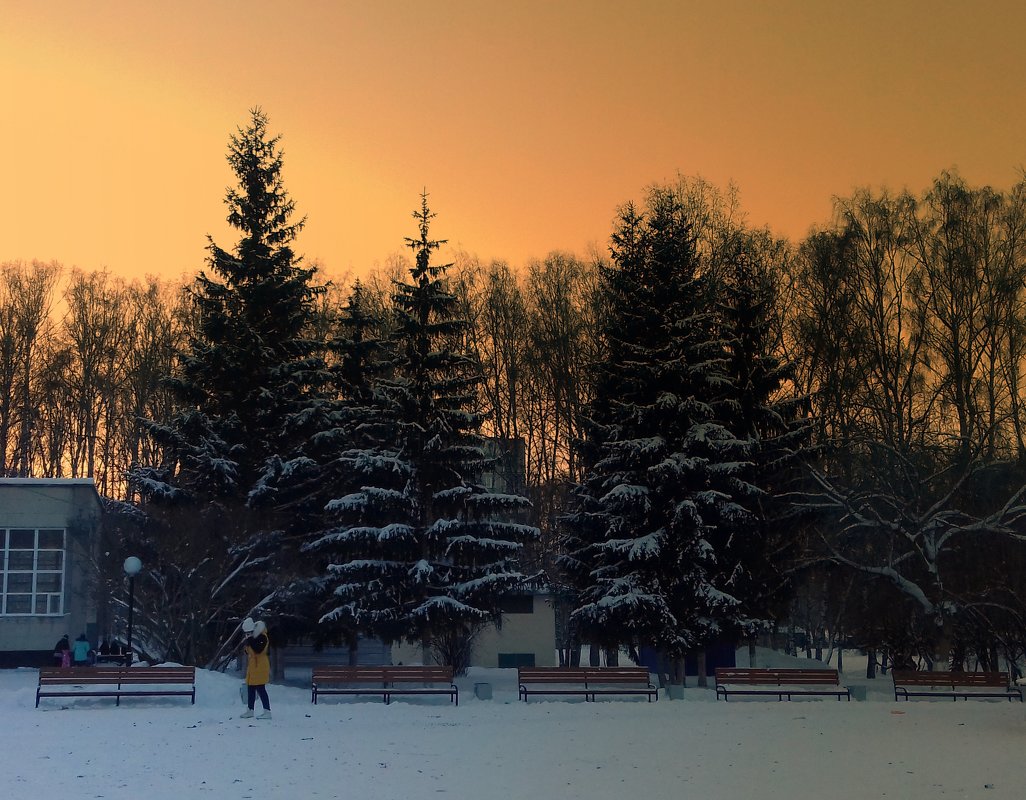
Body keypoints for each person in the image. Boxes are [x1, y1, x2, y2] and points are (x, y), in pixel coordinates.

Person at [240, 618, 271, 719]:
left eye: (249, 633)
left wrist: (250, 641)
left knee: (261, 688)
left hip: (260, 665)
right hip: (253, 665)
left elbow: (258, 650)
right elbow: (249, 651)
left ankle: (267, 711)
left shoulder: (262, 637)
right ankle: (250, 709)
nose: (248, 635)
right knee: (251, 688)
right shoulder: (253, 638)